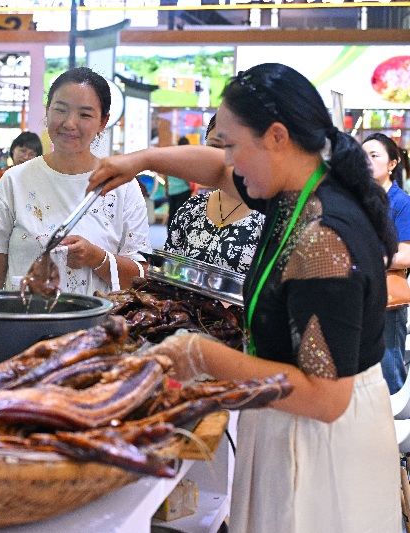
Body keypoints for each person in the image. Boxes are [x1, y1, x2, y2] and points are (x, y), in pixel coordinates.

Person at [88, 63, 399, 532]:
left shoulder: (322, 239)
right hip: (289, 422)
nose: (227, 159)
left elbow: (325, 396)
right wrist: (142, 160)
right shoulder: (294, 192)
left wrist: (198, 353)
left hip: (318, 444)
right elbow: (216, 170)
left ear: (277, 136)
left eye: (233, 144)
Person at [0, 67, 150, 295]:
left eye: (85, 115)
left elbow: (141, 278)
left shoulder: (122, 187)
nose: (70, 123)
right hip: (25, 323)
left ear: (103, 122)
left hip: (98, 327)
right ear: (47, 110)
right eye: (60, 110)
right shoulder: (14, 181)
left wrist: (96, 257)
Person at [164, 115, 265, 273]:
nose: (222, 157)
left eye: (231, 147)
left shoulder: (268, 217)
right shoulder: (191, 209)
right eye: (214, 147)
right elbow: (168, 272)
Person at [364, 133, 410, 393]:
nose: (366, 161)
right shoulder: (357, 199)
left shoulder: (401, 203)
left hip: (387, 299)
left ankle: (395, 430)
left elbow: (405, 255)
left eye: (374, 155)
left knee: (388, 368)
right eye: (362, 156)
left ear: (392, 164)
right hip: (359, 293)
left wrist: (364, 257)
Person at [0, 131, 43, 234]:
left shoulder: (41, 180)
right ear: (13, 150)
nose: (26, 157)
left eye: (31, 154)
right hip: (0, 237)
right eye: (22, 151)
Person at [164, 136, 194, 227]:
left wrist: (167, 188)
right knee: (182, 215)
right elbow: (185, 175)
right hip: (183, 190)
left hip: (172, 191)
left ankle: (170, 236)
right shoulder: (185, 157)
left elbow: (166, 173)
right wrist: (190, 186)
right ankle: (180, 237)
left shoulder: (171, 156)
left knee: (172, 215)